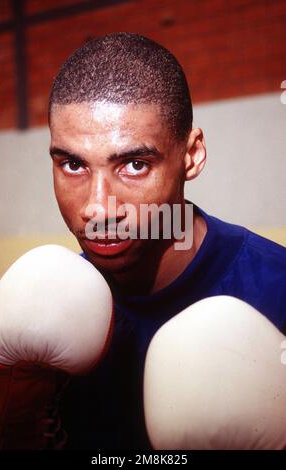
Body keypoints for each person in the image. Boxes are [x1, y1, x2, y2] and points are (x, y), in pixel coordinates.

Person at [47, 32, 286, 449]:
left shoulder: (277, 290)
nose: (98, 210)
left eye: (135, 164)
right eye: (73, 165)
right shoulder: (45, 305)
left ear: (191, 155)